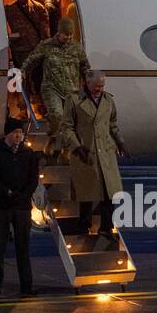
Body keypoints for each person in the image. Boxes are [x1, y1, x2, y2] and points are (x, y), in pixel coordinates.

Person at [0, 117, 40, 298]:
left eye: (21, 133)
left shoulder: (28, 153)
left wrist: (24, 194)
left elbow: (33, 178)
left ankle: (26, 286)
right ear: (7, 134)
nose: (18, 136)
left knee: (23, 247)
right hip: (2, 206)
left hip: (21, 207)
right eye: (15, 133)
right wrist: (6, 192)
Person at [66, 70, 128, 235]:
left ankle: (106, 226)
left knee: (109, 193)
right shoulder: (74, 100)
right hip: (86, 150)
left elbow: (112, 124)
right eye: (97, 86)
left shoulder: (108, 100)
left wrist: (120, 142)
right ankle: (83, 224)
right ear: (87, 83)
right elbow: (67, 127)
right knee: (86, 191)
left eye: (102, 85)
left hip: (106, 151)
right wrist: (77, 146)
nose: (100, 89)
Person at [20, 17, 91, 154]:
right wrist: (22, 71)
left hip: (71, 90)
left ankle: (63, 148)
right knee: (57, 115)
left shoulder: (76, 48)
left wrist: (89, 80)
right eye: (66, 34)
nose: (69, 38)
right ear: (59, 33)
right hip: (51, 88)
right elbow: (31, 60)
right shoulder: (46, 46)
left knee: (70, 122)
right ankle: (52, 136)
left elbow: (85, 66)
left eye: (71, 35)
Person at [3, 0, 44, 70]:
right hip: (19, 52)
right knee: (21, 78)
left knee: (37, 77)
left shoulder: (38, 8)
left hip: (35, 50)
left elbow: (45, 31)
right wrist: (9, 38)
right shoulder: (9, 10)